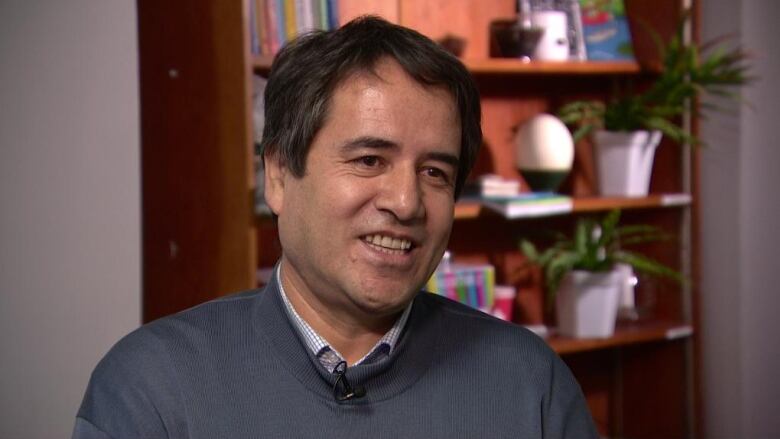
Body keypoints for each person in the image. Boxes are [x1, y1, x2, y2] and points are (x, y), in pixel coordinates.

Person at [73, 16, 598, 439]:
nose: (406, 202)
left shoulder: (532, 386)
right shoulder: (151, 390)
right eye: (369, 160)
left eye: (435, 172)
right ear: (278, 175)